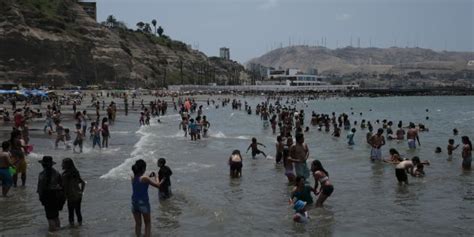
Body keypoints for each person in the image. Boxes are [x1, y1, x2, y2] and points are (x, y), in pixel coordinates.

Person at [131, 159, 164, 237]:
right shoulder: (145, 178)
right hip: (143, 204)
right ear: (142, 169)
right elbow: (158, 185)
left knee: (138, 224)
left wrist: (149, 177)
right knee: (147, 223)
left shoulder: (132, 177)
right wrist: (156, 176)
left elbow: (141, 181)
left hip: (134, 203)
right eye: (145, 168)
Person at [37, 156, 65, 232]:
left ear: (43, 165)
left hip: (47, 195)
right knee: (56, 215)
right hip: (56, 195)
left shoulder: (42, 174)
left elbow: (40, 188)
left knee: (49, 217)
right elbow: (62, 185)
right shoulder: (57, 172)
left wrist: (41, 198)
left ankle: (53, 232)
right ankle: (58, 231)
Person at [62, 158, 86, 227]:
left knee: (71, 213)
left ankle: (72, 228)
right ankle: (80, 226)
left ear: (66, 165)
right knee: (78, 211)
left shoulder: (65, 175)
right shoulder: (76, 172)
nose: (62, 165)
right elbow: (83, 183)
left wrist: (64, 196)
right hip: (78, 195)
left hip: (70, 196)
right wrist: (81, 192)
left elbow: (64, 187)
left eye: (63, 163)